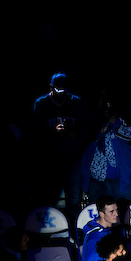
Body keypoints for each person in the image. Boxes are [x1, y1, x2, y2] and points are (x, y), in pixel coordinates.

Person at [29, 72, 94, 213]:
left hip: (72, 156)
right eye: (58, 90)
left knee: (73, 199)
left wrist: (75, 132)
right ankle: (50, 229)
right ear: (51, 87)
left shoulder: (77, 102)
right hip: (50, 158)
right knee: (50, 196)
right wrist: (52, 131)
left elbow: (90, 125)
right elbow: (33, 131)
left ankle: (74, 230)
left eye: (64, 90)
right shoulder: (41, 104)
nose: (61, 93)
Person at [81, 116, 131, 202]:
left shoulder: (123, 121)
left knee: (121, 209)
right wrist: (102, 129)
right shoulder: (94, 118)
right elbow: (88, 137)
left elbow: (129, 136)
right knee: (97, 208)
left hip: (119, 179)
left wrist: (114, 122)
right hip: (96, 178)